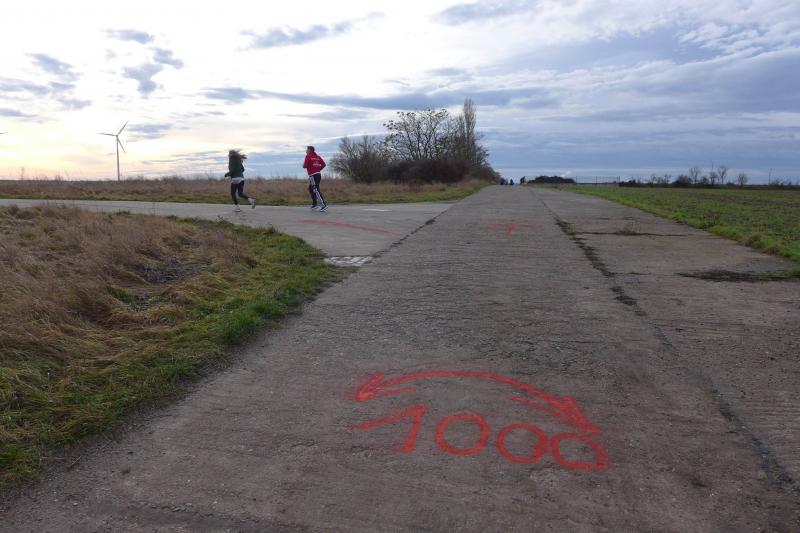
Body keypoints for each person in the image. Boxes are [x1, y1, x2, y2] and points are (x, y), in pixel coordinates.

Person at [303, 146, 328, 211]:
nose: (306, 151)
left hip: (313, 175)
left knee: (315, 189)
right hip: (318, 174)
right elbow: (324, 164)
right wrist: (318, 169)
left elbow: (305, 165)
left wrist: (305, 165)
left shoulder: (308, 156)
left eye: (307, 149)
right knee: (310, 189)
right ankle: (315, 205)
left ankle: (324, 205)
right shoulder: (318, 157)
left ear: (310, 150)